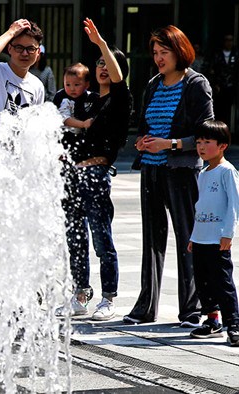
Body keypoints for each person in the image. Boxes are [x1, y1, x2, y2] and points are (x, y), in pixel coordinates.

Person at [125, 25, 214, 327]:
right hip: (151, 169)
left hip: (182, 172)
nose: (159, 58)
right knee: (152, 240)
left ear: (179, 52)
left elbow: (206, 133)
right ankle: (145, 307)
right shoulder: (153, 84)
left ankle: (191, 309)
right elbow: (146, 124)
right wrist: (144, 140)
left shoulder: (195, 84)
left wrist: (171, 144)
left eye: (164, 52)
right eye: (155, 53)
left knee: (187, 238)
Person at [57, 18, 131, 321]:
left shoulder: (119, 100)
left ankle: (108, 298)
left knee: (102, 239)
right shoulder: (84, 99)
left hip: (97, 174)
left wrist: (101, 42)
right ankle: (80, 294)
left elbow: (116, 79)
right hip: (72, 174)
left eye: (108, 63)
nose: (103, 67)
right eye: (98, 62)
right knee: (75, 237)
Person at [187, 120, 239, 346]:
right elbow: (201, 207)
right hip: (200, 238)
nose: (201, 146)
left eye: (207, 142)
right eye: (199, 142)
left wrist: (228, 233)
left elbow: (234, 205)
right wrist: (193, 236)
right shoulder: (203, 172)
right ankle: (212, 320)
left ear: (222, 146)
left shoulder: (227, 172)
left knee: (222, 283)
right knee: (203, 282)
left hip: (218, 240)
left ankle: (234, 324)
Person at [0, 19, 45, 168]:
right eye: (19, 47)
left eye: (31, 49)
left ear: (38, 52)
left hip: (19, 165)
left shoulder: (37, 85)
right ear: (9, 49)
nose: (25, 53)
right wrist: (11, 32)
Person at [53, 62, 99, 133]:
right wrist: (83, 124)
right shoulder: (61, 96)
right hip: (64, 135)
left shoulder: (92, 97)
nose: (72, 89)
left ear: (87, 84)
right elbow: (64, 118)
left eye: (76, 85)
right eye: (68, 84)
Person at [209, 34, 238, 126]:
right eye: (227, 40)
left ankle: (229, 130)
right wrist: (215, 84)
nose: (229, 42)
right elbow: (212, 70)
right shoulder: (217, 54)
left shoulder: (236, 54)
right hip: (219, 87)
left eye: (231, 40)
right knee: (218, 109)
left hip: (231, 87)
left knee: (229, 110)